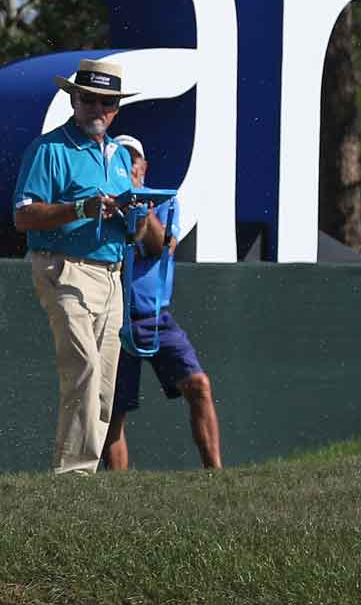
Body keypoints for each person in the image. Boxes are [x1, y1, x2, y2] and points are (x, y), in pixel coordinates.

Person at [12, 58, 136, 474]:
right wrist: (80, 208)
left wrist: (137, 212)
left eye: (107, 102)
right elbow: (24, 216)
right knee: (82, 365)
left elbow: (137, 227)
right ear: (73, 99)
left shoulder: (120, 156)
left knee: (103, 384)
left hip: (112, 274)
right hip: (64, 268)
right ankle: (72, 475)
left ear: (117, 108)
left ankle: (82, 471)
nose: (97, 109)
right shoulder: (48, 149)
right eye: (88, 99)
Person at [101, 134, 222, 470]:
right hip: (114, 318)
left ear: (144, 166)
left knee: (199, 384)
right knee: (113, 410)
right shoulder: (106, 203)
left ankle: (216, 475)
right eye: (121, 161)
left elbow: (161, 247)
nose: (129, 167)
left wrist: (141, 208)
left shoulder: (164, 201)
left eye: (133, 161)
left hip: (155, 317)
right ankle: (118, 495)